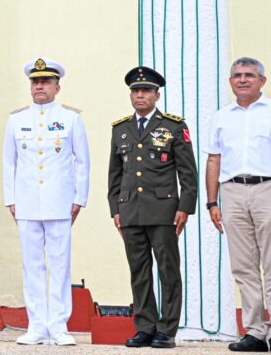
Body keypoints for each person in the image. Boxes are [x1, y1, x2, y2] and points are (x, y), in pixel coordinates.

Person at [2, 57, 90, 346]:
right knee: (32, 265)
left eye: (46, 82)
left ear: (57, 87)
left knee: (60, 263)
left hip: (60, 201)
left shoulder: (70, 118)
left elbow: (82, 162)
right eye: (35, 82)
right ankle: (37, 325)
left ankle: (59, 326)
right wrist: (10, 198)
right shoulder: (16, 119)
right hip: (26, 202)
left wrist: (80, 198)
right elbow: (9, 163)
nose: (39, 86)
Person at [108, 66, 197, 349]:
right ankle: (145, 326)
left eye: (146, 90)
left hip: (164, 210)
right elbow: (115, 175)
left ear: (157, 95)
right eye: (135, 91)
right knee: (139, 270)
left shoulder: (173, 126)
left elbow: (188, 174)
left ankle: (167, 329)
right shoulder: (120, 129)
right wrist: (115, 209)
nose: (140, 95)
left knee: (168, 270)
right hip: (130, 210)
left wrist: (185, 207)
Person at [206, 57, 271, 353]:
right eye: (237, 75)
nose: (242, 79)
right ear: (230, 81)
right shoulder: (222, 116)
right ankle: (256, 333)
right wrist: (211, 202)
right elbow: (214, 159)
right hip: (231, 192)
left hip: (267, 188)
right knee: (243, 267)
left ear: (262, 81)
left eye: (249, 75)